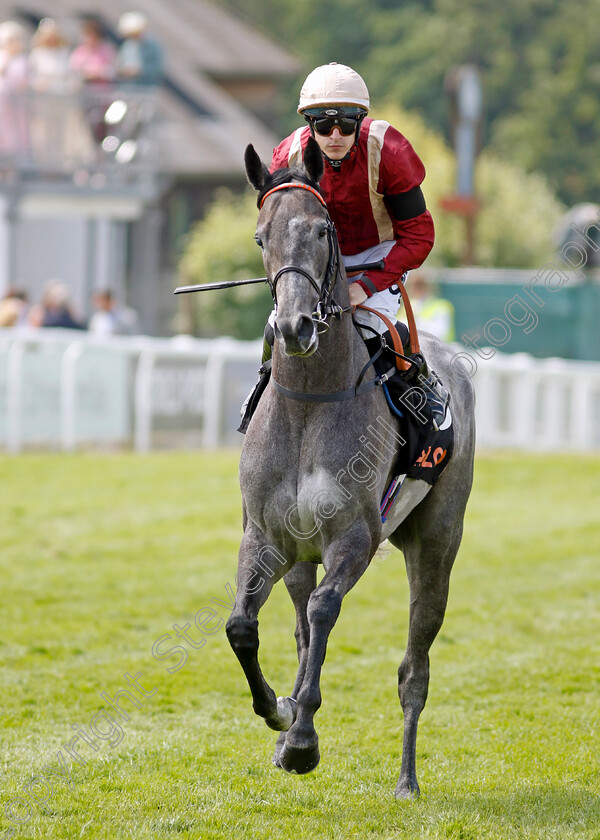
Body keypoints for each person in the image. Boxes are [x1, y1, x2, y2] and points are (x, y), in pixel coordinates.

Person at [240, 62, 448, 432]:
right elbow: (278, 234)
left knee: (378, 332)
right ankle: (260, 394)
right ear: (309, 124)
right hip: (315, 257)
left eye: (347, 123)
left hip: (377, 254)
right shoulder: (286, 157)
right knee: (277, 327)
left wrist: (365, 285)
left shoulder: (389, 152)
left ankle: (422, 405)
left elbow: (418, 236)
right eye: (323, 124)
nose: (335, 134)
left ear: (361, 120)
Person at [116, 12, 164, 87]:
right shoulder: (127, 46)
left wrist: (140, 71)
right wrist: (125, 71)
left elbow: (158, 67)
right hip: (128, 88)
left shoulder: (152, 45)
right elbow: (120, 64)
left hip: (147, 88)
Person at [407, 270, 455, 343]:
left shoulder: (442, 306)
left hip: (442, 350)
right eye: (414, 286)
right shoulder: (407, 306)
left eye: (420, 285)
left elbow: (441, 332)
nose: (416, 289)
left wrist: (419, 324)